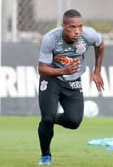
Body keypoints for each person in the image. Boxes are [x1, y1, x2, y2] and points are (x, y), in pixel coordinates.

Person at [37, 9, 105, 165]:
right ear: (63, 26)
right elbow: (41, 68)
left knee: (74, 122)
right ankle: (45, 156)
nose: (77, 31)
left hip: (73, 81)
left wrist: (97, 71)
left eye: (80, 26)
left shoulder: (88, 35)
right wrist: (63, 70)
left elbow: (100, 44)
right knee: (47, 118)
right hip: (51, 78)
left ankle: (49, 118)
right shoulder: (50, 39)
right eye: (72, 27)